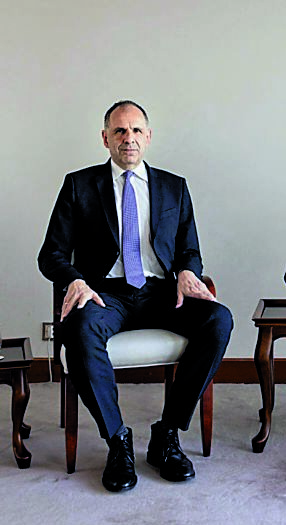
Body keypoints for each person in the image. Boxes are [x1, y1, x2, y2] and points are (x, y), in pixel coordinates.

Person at [38, 100, 233, 492]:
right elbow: (51, 254)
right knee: (80, 329)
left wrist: (187, 272)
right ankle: (117, 441)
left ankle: (167, 435)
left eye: (136, 130)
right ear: (105, 138)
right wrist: (75, 280)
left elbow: (189, 250)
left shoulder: (174, 187)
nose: (129, 138)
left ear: (149, 136)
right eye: (120, 131)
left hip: (161, 293)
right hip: (104, 294)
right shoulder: (79, 185)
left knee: (219, 319)